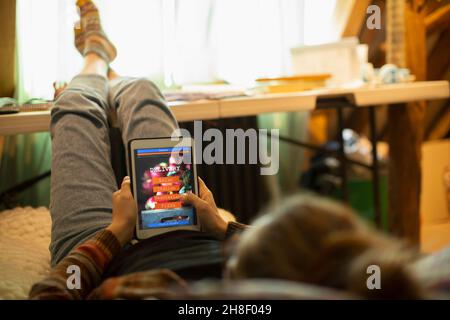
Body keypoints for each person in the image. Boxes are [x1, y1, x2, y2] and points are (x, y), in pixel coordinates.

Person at [29, 0, 429, 300]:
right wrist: (218, 225)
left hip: (108, 256)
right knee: (143, 92)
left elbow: (49, 294)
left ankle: (95, 61)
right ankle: (106, 74)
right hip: (185, 226)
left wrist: (117, 232)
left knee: (74, 108)